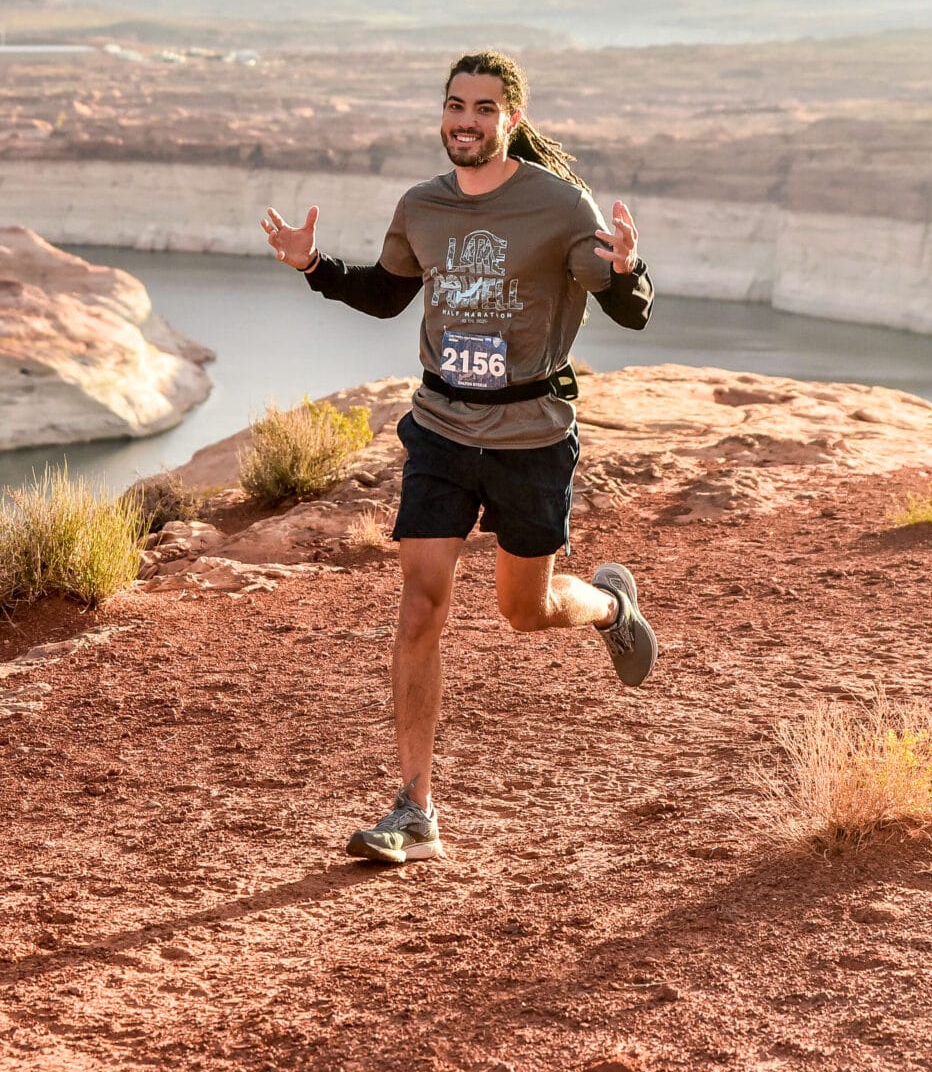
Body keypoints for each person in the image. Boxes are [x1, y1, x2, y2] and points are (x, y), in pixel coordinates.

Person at [259, 50, 656, 865]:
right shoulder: (424, 205)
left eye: (482, 107)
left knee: (524, 610)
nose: (464, 121)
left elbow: (623, 300)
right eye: (454, 105)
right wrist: (312, 266)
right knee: (419, 605)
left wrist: (626, 269)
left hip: (530, 436)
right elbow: (387, 291)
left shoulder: (555, 203)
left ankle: (613, 608)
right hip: (440, 425)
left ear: (511, 118)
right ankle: (415, 807)